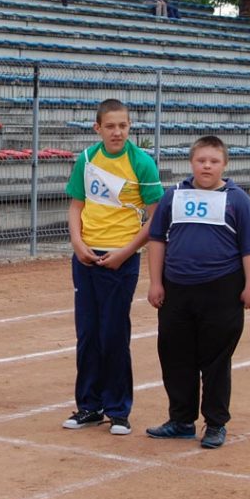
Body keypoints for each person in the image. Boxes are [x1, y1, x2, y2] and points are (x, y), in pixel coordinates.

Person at [145, 136, 250, 449]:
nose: (207, 166)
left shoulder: (237, 200)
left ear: (224, 164)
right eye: (201, 160)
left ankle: (215, 423)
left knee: (215, 361)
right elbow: (157, 240)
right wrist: (155, 282)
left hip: (221, 289)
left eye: (213, 161)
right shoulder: (173, 196)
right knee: (175, 357)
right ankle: (181, 420)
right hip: (177, 289)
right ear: (191, 163)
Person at [63, 98, 163, 435]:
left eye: (122, 125)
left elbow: (155, 217)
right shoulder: (88, 158)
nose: (117, 132)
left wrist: (126, 251)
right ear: (98, 128)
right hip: (86, 258)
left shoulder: (142, 163)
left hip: (120, 259)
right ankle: (89, 406)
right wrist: (77, 243)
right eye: (110, 126)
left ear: (129, 127)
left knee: (114, 334)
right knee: (88, 334)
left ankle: (119, 409)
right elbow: (77, 204)